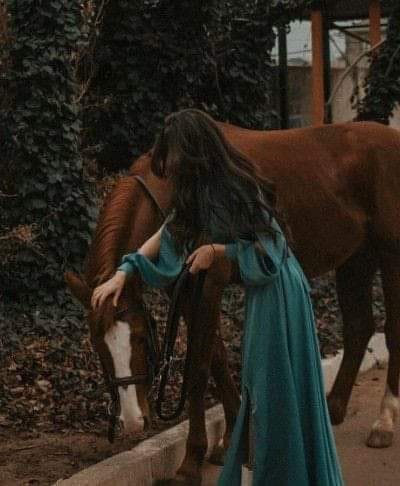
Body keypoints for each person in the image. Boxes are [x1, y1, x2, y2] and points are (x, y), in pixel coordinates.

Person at [91, 109, 344, 486]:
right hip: (262, 294)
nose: (169, 167)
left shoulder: (237, 187)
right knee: (260, 387)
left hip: (280, 290)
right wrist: (123, 272)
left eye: (173, 156)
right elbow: (166, 234)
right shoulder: (199, 191)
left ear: (193, 151)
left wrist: (218, 252)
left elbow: (272, 250)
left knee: (272, 388)